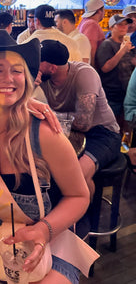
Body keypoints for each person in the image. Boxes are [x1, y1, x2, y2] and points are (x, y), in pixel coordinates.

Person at [0, 30, 95, 284]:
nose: (8, 78)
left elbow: (79, 196)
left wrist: (43, 230)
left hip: (51, 250)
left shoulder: (44, 135)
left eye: (17, 70)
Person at [38, 40, 121, 198]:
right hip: (69, 134)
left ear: (52, 67)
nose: (33, 65)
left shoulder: (84, 74)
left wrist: (50, 116)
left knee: (77, 176)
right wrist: (30, 85)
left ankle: (81, 219)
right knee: (45, 170)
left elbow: (83, 124)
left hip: (102, 134)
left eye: (38, 61)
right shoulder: (42, 78)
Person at [95, 14, 135, 128]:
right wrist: (122, 51)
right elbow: (105, 68)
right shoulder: (107, 45)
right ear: (112, 27)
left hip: (126, 95)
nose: (124, 27)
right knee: (112, 128)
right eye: (120, 25)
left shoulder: (128, 45)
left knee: (125, 128)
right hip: (112, 95)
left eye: (126, 25)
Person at [78, 0, 105, 67]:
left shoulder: (84, 21)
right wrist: (92, 68)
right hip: (89, 66)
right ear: (99, 11)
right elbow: (91, 48)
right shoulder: (92, 24)